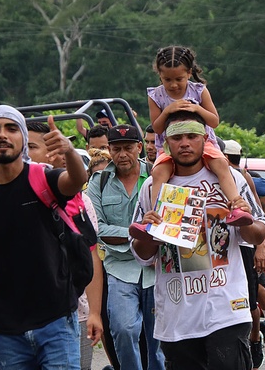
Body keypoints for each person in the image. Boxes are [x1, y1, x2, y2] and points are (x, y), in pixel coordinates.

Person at [0, 107, 102, 369]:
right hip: (6, 330)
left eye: (11, 128)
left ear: (23, 138)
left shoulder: (43, 178)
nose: (2, 135)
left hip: (56, 319)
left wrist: (69, 150)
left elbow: (75, 180)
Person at [130, 111, 265, 370]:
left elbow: (258, 232)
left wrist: (245, 221)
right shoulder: (152, 187)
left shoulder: (231, 179)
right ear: (166, 143)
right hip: (177, 312)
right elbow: (142, 253)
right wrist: (152, 232)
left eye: (192, 136)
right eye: (177, 137)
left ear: (205, 139)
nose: (184, 143)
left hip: (226, 306)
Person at [87, 125, 165, 370]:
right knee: (122, 328)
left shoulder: (158, 175)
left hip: (156, 267)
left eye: (128, 148)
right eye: (116, 149)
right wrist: (138, 231)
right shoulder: (98, 182)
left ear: (139, 148)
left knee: (158, 338)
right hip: (119, 268)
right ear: (109, 150)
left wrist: (133, 233)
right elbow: (97, 229)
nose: (122, 154)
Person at [147, 45, 250, 226]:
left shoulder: (199, 90)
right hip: (169, 145)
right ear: (160, 76)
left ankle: (236, 205)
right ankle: (156, 215)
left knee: (220, 164)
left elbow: (214, 121)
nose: (173, 85)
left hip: (204, 142)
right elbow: (157, 127)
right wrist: (168, 111)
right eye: (167, 79)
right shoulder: (156, 95)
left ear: (189, 73)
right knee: (158, 172)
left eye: (179, 79)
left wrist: (196, 108)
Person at [28, 122, 102, 370]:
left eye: (57, 147)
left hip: (74, 313)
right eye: (28, 147)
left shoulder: (81, 202)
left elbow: (90, 256)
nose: (54, 155)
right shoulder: (1, 197)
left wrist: (94, 312)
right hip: (19, 318)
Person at [223, 139, 265, 369]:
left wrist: (261, 247)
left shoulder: (241, 176)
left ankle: (255, 339)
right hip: (215, 254)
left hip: (243, 246)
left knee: (249, 303)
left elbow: (261, 212)